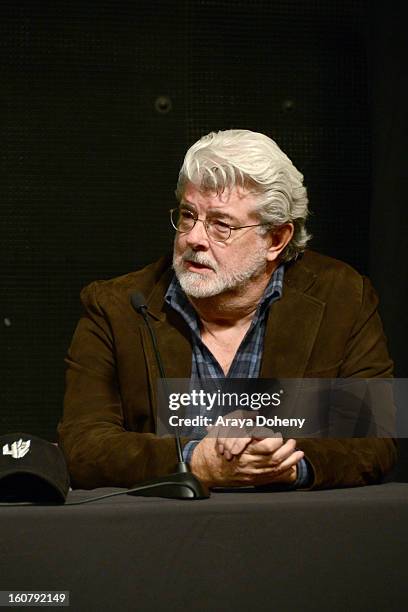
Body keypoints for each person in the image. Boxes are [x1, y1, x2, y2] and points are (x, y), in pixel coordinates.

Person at [58, 129, 397, 490]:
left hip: (293, 531)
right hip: (159, 534)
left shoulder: (342, 297)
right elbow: (82, 444)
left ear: (276, 239)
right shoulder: (117, 307)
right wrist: (192, 461)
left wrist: (285, 461)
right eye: (188, 215)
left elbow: (377, 440)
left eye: (221, 225)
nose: (193, 238)